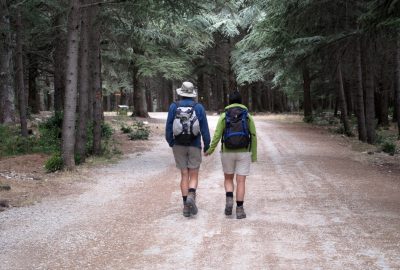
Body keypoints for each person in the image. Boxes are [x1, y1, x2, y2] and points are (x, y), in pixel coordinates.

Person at [205, 91, 257, 219]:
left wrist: (210, 150)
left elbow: (217, 135)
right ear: (241, 101)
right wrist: (254, 155)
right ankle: (239, 209)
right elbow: (254, 136)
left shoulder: (224, 116)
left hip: (227, 152)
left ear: (229, 102)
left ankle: (229, 199)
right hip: (244, 152)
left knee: (228, 178)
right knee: (241, 181)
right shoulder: (247, 116)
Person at [165, 81, 210, 217]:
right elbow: (204, 129)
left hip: (178, 144)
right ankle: (192, 194)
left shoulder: (174, 106)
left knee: (184, 175)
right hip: (194, 144)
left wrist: (171, 142)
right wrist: (207, 145)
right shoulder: (199, 107)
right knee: (194, 174)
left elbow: (168, 127)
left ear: (181, 93)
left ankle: (185, 206)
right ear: (192, 94)